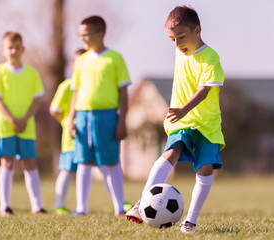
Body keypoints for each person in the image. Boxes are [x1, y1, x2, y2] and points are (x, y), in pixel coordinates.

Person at [126, 6, 225, 234]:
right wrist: (180, 115)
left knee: (205, 170)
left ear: (197, 31)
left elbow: (204, 91)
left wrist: (183, 109)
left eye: (181, 36)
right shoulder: (180, 50)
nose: (177, 44)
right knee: (170, 153)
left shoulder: (211, 57)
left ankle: (190, 220)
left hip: (207, 124)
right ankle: (142, 203)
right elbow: (180, 20)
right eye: (172, 39)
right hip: (181, 122)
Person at [68, 15, 131, 217]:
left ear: (100, 33)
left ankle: (119, 208)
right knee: (83, 161)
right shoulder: (81, 61)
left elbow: (123, 93)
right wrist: (71, 119)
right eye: (80, 35)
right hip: (83, 117)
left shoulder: (115, 58)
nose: (83, 38)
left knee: (111, 161)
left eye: (86, 34)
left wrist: (122, 121)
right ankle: (81, 208)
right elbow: (75, 92)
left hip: (108, 117)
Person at [0, 32, 46, 216]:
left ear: (23, 49)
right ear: (3, 50)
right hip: (5, 127)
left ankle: (36, 206)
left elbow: (37, 100)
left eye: (17, 47)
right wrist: (12, 119)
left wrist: (24, 119)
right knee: (7, 163)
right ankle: (5, 205)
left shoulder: (32, 73)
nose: (13, 51)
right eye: (9, 47)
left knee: (30, 163)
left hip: (26, 127)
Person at [50, 48, 86, 215]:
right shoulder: (65, 86)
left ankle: (119, 201)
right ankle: (59, 204)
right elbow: (54, 109)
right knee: (67, 170)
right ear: (72, 64)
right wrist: (66, 121)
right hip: (70, 138)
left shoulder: (89, 86)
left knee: (97, 167)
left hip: (87, 135)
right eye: (77, 61)